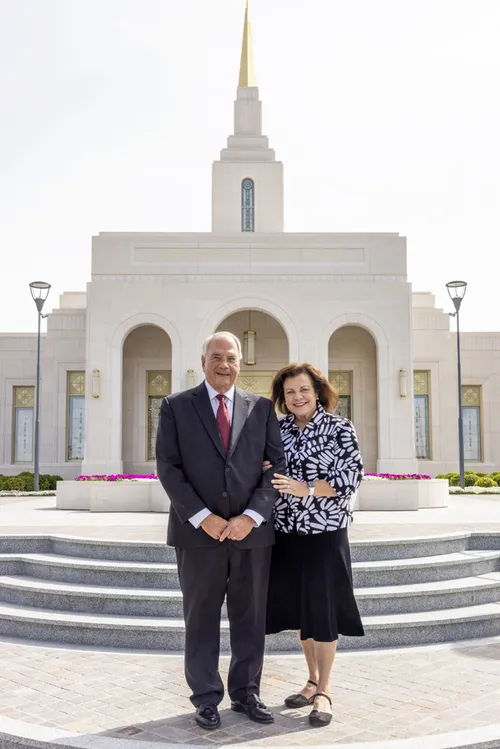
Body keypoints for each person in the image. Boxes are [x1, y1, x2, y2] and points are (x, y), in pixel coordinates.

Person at [156, 332, 285, 731]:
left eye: (231, 357)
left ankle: (246, 692)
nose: (224, 364)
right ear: (203, 359)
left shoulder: (262, 408)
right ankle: (206, 698)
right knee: (201, 618)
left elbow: (276, 469)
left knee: (250, 616)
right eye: (216, 356)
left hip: (251, 535)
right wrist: (202, 516)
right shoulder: (176, 407)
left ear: (240, 362)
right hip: (198, 536)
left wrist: (250, 516)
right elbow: (168, 468)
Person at [265, 362, 364, 728]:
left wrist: (305, 488)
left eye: (303, 390)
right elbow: (269, 471)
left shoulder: (339, 427)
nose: (297, 397)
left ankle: (324, 689)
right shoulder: (278, 430)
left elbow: (350, 477)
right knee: (300, 612)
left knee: (322, 612)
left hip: (325, 532)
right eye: (290, 392)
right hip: (287, 533)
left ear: (317, 390)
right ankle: (309, 680)